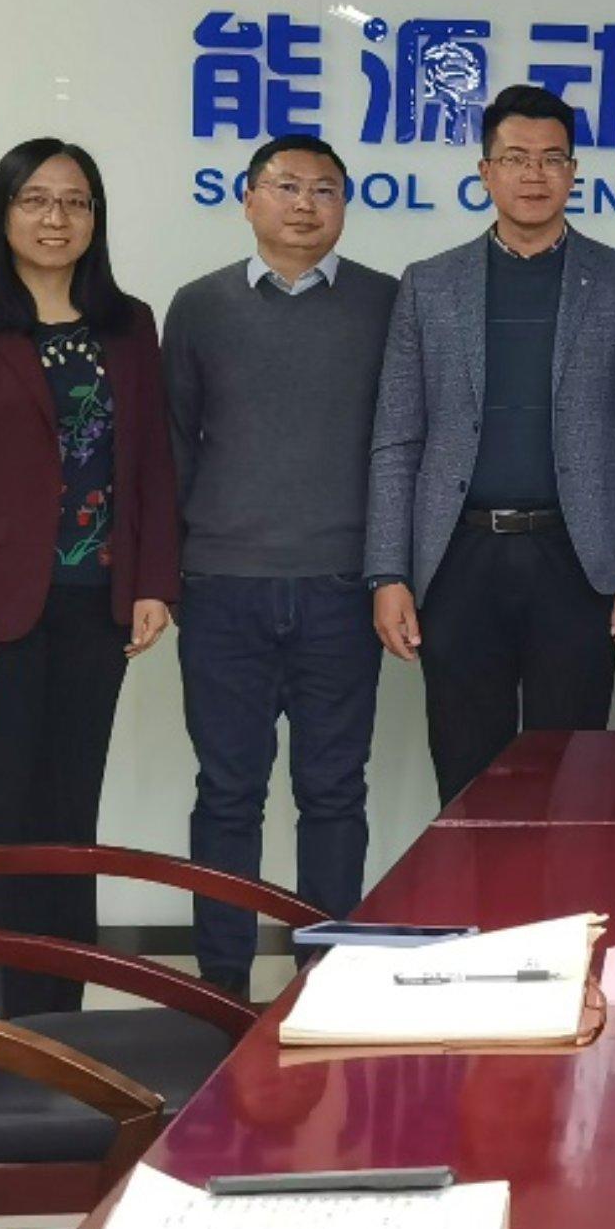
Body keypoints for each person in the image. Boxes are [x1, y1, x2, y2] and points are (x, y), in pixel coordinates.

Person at [0, 138, 177, 1015]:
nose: (56, 218)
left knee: (69, 817)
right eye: (36, 200)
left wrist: (154, 582)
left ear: (96, 219)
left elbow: (150, 462)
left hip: (96, 603)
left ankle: (61, 1010)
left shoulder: (128, 326)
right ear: (4, 214)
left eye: (76, 202)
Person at [367, 85, 615, 801]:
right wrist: (387, 573)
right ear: (485, 171)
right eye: (515, 158)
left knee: (574, 774)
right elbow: (397, 439)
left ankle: (568, 884)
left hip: (578, 557)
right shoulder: (430, 285)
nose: (534, 175)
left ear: (573, 172)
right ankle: (473, 884)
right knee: (466, 773)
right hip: (457, 558)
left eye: (551, 159)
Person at [160, 134, 397, 1000]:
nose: (305, 204)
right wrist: (171, 573)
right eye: (286, 186)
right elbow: (174, 444)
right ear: (249, 199)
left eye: (324, 190)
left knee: (333, 792)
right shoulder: (199, 306)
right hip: (223, 586)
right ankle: (221, 987)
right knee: (228, 792)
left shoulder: (386, 303)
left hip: (342, 586)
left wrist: (391, 571)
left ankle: (324, 980)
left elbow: (403, 443)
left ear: (345, 206)